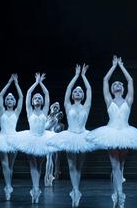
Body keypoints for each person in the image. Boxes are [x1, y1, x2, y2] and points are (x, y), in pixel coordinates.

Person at [86, 56, 137, 208]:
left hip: (126, 133)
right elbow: (105, 80)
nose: (118, 84)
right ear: (112, 89)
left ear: (124, 89)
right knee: (114, 165)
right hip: (111, 132)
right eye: (115, 84)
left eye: (120, 83)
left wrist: (122, 66)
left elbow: (131, 80)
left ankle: (117, 193)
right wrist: (114, 66)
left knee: (121, 165)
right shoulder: (109, 100)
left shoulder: (128, 100)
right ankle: (119, 195)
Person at [48, 64, 97, 206]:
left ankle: (76, 189)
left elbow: (89, 89)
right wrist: (76, 75)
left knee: (79, 165)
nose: (77, 92)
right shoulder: (67, 105)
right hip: (70, 135)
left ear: (82, 96)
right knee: (71, 165)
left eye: (79, 92)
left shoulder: (86, 106)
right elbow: (68, 89)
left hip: (82, 135)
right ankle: (75, 190)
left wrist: (83, 75)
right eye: (75, 91)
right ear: (72, 95)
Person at [11, 73, 57, 203]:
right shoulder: (29, 110)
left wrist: (41, 83)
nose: (37, 98)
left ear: (42, 102)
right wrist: (36, 83)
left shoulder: (45, 110)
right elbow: (28, 95)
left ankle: (36, 188)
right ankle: (35, 188)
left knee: (40, 164)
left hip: (43, 138)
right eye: (35, 98)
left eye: (39, 98)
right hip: (30, 138)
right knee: (32, 164)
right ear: (32, 102)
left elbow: (47, 94)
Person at [0, 74, 22, 200]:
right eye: (8, 99)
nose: (9, 100)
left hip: (14, 138)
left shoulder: (17, 111)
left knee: (10, 166)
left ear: (14, 102)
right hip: (2, 138)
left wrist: (16, 83)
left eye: (11, 99)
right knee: (4, 164)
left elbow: (21, 97)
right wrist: (9, 82)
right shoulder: (2, 110)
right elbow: (1, 95)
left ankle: (9, 184)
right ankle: (8, 187)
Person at [44, 102, 64, 187]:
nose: (55, 108)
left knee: (49, 158)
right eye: (54, 107)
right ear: (51, 107)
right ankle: (49, 176)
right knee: (48, 158)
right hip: (45, 136)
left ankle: (48, 176)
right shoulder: (47, 117)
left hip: (51, 137)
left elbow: (47, 128)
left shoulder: (55, 119)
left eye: (57, 108)